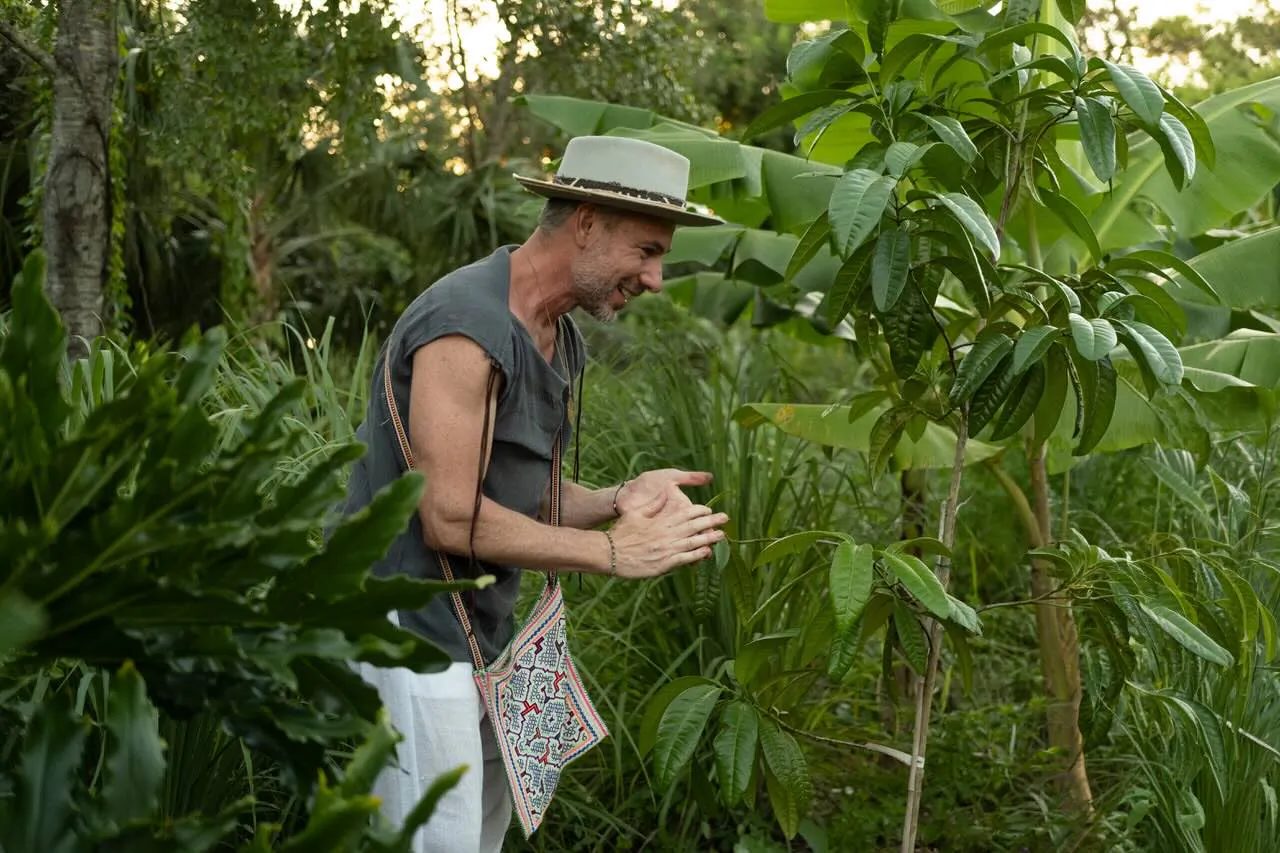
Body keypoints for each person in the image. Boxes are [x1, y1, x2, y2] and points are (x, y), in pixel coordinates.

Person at [342, 135, 731, 853]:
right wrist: (612, 551)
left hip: (483, 632)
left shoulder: (556, 332)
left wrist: (621, 499)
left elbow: (531, 496)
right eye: (647, 251)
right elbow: (448, 514)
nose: (656, 279)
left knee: (480, 841)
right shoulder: (467, 325)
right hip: (410, 624)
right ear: (586, 223)